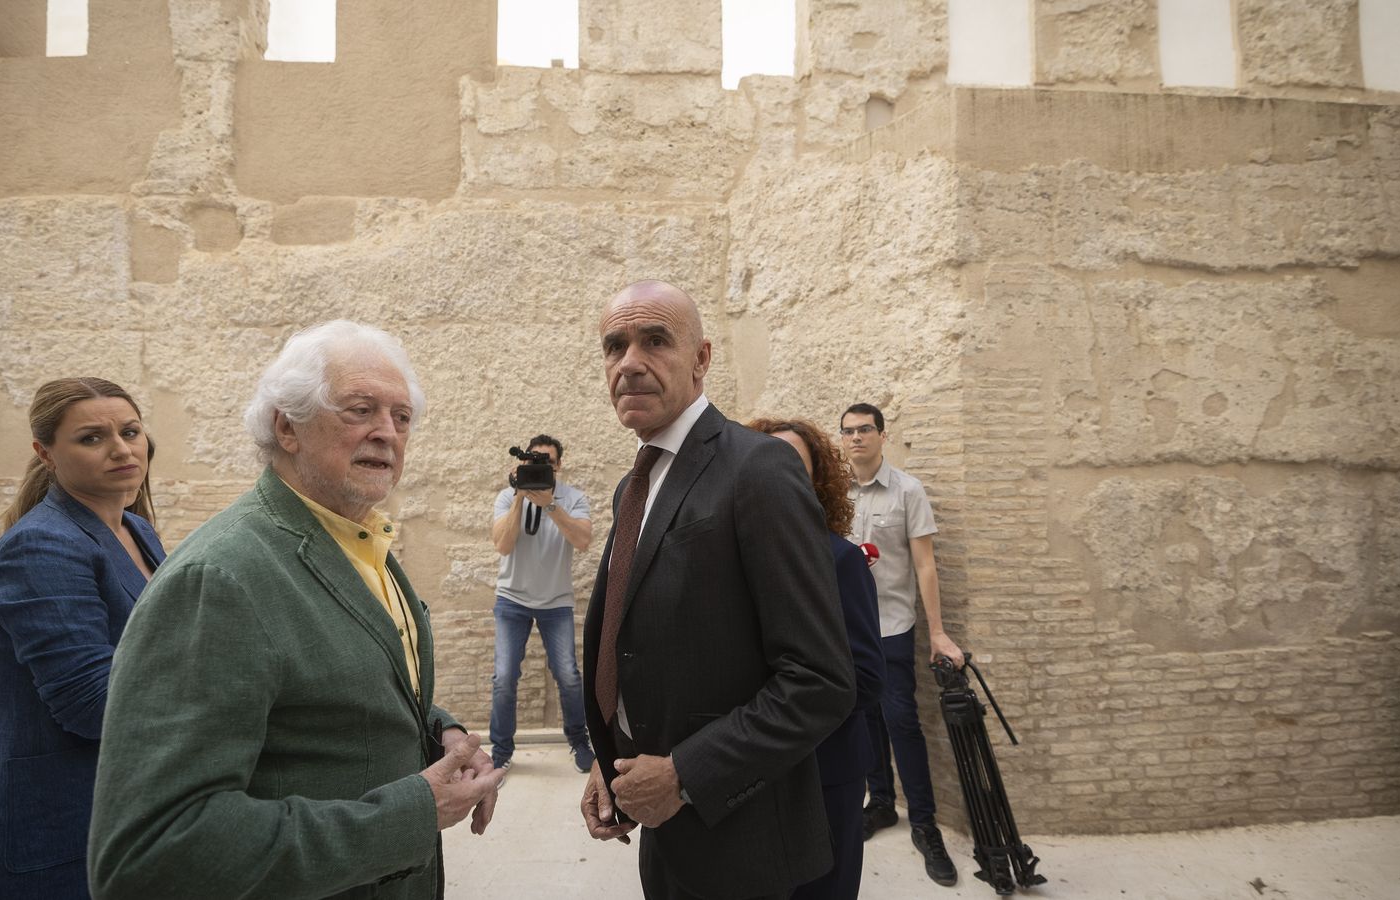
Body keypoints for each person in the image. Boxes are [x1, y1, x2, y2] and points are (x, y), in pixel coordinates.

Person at [87, 321, 499, 900]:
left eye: (401, 417)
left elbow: (330, 685)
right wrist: (410, 813)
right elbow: (152, 852)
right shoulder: (220, 580)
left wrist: (438, 728)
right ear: (287, 426)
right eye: (360, 410)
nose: (387, 433)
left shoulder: (360, 541)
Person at [579, 280, 854, 900]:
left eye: (655, 341)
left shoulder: (757, 468)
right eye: (614, 346)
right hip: (663, 828)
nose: (630, 363)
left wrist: (683, 775)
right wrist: (612, 755)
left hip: (740, 837)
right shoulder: (636, 486)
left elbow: (820, 681)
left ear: (702, 358)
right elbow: (648, 646)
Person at [0, 377, 166, 899]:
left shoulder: (137, 529)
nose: (121, 449)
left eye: (130, 431)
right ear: (45, 453)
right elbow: (93, 704)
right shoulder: (42, 546)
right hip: (57, 822)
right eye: (91, 438)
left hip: (126, 808)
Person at [747, 418, 886, 900]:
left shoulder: (840, 561)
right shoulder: (726, 562)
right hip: (748, 777)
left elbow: (867, 678)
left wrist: (773, 716)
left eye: (790, 465)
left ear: (814, 482)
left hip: (826, 772)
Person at [839, 401, 962, 887]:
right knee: (863, 719)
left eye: (865, 429)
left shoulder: (908, 491)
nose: (856, 438)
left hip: (891, 625)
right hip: (850, 629)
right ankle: (882, 805)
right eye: (847, 431)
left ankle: (925, 823)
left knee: (901, 720)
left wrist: (936, 631)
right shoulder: (834, 493)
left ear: (883, 435)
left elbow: (925, 565)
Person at [489, 434, 596, 773]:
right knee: (504, 677)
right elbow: (503, 546)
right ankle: (501, 752)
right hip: (512, 599)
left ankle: (579, 742)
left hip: (556, 600)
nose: (539, 467)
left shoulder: (573, 498)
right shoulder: (507, 497)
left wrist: (550, 503)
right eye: (532, 460)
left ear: (558, 465)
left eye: (546, 462)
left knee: (568, 676)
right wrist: (521, 498)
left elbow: (582, 541)